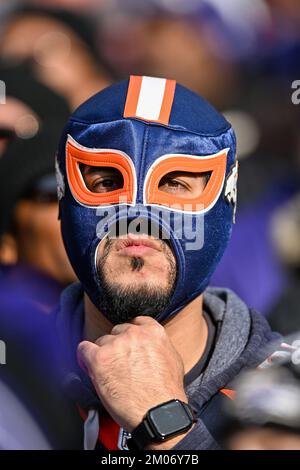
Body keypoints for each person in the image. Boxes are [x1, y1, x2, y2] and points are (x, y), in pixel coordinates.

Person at [55, 75, 279, 450]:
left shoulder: (287, 392)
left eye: (174, 183)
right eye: (107, 181)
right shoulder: (13, 374)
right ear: (63, 193)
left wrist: (168, 427)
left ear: (228, 200)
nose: (138, 215)